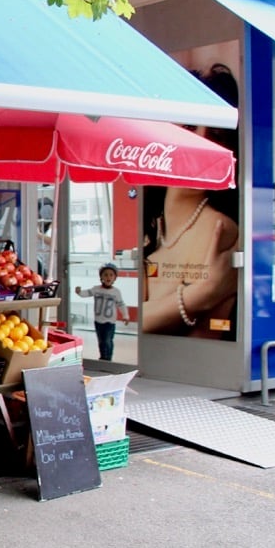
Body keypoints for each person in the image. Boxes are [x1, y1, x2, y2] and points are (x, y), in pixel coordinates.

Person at [141, 63, 241, 340]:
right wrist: (199, 295)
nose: (200, 142)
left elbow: (205, 339)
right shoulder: (153, 226)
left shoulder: (219, 230)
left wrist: (200, 297)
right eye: (187, 127)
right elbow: (134, 321)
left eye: (217, 135)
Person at [75, 262, 128, 361]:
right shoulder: (96, 289)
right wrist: (79, 292)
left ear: (115, 278)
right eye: (105, 275)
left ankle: (108, 358)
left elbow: (121, 304)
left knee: (108, 340)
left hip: (110, 321)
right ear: (101, 277)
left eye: (111, 275)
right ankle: (103, 357)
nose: (108, 277)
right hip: (98, 321)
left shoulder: (116, 292)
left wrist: (125, 315)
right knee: (101, 340)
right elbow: (86, 293)